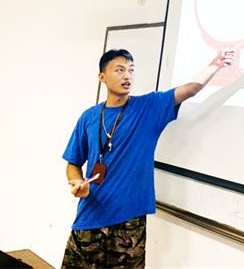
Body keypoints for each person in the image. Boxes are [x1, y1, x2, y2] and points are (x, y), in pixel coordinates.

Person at [61, 48, 233, 268]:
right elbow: (73, 163)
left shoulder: (148, 107)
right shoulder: (89, 117)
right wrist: (77, 182)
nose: (127, 76)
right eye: (120, 70)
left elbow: (190, 90)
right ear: (102, 77)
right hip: (90, 215)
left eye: (131, 70)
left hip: (129, 222)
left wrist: (215, 64)